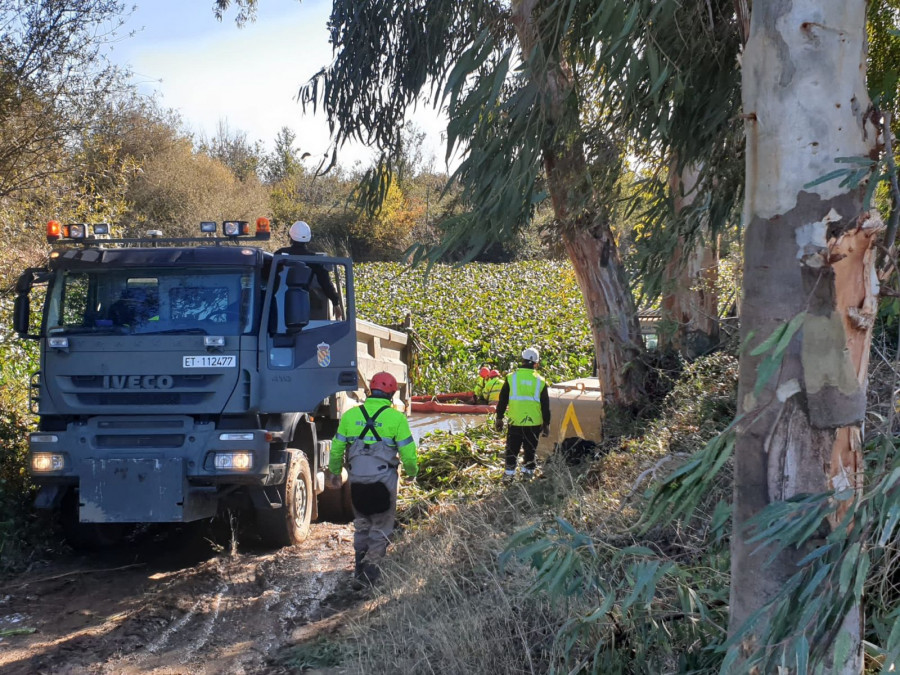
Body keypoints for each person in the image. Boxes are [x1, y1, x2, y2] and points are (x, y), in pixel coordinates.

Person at [327, 371, 418, 587]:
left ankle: (359, 571)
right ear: (391, 394)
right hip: (383, 481)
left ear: (370, 391)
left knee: (361, 524)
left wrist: (335, 472)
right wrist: (411, 474)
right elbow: (408, 454)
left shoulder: (350, 416)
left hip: (356, 481)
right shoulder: (396, 418)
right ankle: (371, 574)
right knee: (381, 527)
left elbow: (337, 448)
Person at [494, 348, 550, 482]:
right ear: (536, 364)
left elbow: (502, 400)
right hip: (534, 423)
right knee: (530, 450)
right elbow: (545, 406)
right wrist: (547, 424)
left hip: (515, 421)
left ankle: (508, 476)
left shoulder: (511, 378)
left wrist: (499, 418)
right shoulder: (541, 381)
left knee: (512, 450)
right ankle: (527, 476)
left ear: (522, 361)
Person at [274, 220, 344, 320]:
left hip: (277, 301)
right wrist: (336, 303)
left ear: (291, 236)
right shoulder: (313, 259)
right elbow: (325, 282)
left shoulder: (279, 254)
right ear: (308, 239)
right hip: (301, 304)